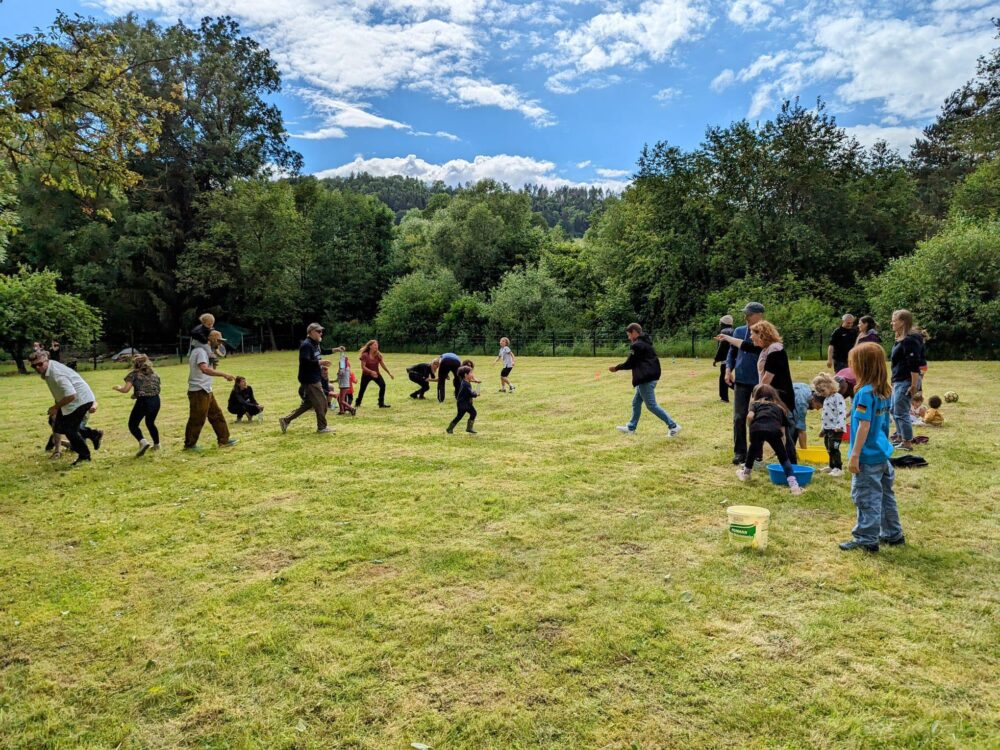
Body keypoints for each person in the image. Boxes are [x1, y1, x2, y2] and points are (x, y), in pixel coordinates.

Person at [840, 341, 904, 552]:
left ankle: (866, 539)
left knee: (866, 497)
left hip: (867, 456)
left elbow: (864, 426)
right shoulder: (884, 390)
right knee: (886, 495)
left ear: (862, 366)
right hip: (881, 452)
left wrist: (855, 455)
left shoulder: (864, 394)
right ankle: (893, 534)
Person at [717, 318, 796, 461]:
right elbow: (745, 345)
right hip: (771, 395)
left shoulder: (775, 351)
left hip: (780, 397)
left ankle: (789, 462)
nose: (751, 337)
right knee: (770, 428)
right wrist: (727, 338)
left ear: (762, 335)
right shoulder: (766, 348)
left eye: (753, 334)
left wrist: (755, 401)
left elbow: (767, 379)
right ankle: (765, 459)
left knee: (782, 431)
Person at [29, 350, 103, 466]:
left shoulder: (56, 374)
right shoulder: (50, 366)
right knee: (59, 427)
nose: (37, 368)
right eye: (34, 366)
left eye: (40, 364)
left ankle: (84, 456)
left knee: (70, 430)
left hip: (80, 400)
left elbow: (71, 395)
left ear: (46, 361)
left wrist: (55, 407)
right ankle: (93, 434)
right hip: (74, 400)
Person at [610, 323, 681, 437]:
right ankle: (631, 427)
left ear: (634, 332)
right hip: (650, 375)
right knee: (636, 402)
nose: (629, 338)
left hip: (645, 377)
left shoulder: (637, 345)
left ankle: (673, 426)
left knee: (651, 405)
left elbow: (630, 363)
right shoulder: (646, 342)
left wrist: (617, 368)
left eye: (629, 335)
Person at [736, 384, 802, 496]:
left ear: (756, 395)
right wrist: (782, 444)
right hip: (774, 430)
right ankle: (794, 485)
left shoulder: (755, 404)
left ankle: (746, 473)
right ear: (773, 395)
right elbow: (783, 430)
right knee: (783, 458)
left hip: (757, 429)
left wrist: (750, 427)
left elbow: (750, 416)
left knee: (752, 452)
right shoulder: (779, 408)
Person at [724, 302, 764, 465]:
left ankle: (756, 452)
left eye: (749, 314)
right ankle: (740, 452)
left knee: (759, 417)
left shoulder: (765, 332)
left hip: (759, 381)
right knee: (739, 417)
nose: (746, 317)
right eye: (745, 314)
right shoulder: (739, 331)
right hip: (740, 379)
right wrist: (728, 370)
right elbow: (732, 352)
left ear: (759, 315)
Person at [279, 323, 334, 435]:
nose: (321, 333)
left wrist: (335, 350)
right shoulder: (306, 345)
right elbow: (305, 362)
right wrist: (320, 362)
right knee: (322, 402)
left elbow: (321, 351)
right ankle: (322, 427)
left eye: (321, 331)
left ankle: (285, 420)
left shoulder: (315, 343)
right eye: (318, 331)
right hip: (310, 379)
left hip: (314, 377)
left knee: (308, 404)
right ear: (311, 332)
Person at [185, 337, 237, 451]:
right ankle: (189, 445)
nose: (220, 343)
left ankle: (224, 440)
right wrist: (224, 374)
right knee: (197, 418)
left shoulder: (206, 352)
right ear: (211, 339)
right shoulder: (201, 352)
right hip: (198, 390)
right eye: (218, 340)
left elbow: (208, 369)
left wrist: (214, 363)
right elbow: (204, 370)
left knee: (217, 414)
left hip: (206, 389)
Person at [114, 354, 162, 456]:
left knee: (132, 424)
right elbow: (153, 388)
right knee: (150, 423)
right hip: (156, 400)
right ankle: (157, 444)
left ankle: (143, 442)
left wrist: (117, 387)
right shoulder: (154, 374)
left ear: (135, 364)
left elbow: (125, 389)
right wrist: (136, 394)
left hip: (143, 402)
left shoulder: (133, 374)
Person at [889, 309, 923, 452]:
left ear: (902, 322)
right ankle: (900, 437)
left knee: (901, 412)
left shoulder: (910, 340)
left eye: (894, 320)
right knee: (893, 409)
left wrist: (914, 385)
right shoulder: (900, 339)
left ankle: (907, 441)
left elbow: (914, 365)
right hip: (899, 380)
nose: (892, 323)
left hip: (907, 381)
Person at [812, 372, 847, 477]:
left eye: (822, 390)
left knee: (834, 448)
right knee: (828, 447)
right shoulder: (827, 399)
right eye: (819, 392)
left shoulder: (838, 397)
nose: (821, 393)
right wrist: (823, 429)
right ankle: (832, 466)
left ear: (830, 386)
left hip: (836, 430)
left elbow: (842, 412)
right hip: (828, 429)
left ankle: (839, 468)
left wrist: (840, 426)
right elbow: (825, 416)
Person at [356, 339, 393, 409]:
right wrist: (371, 372)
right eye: (375, 345)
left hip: (376, 374)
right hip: (366, 375)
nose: (376, 346)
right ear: (370, 346)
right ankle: (358, 403)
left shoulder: (378, 355)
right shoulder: (365, 355)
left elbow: (383, 365)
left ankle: (381, 403)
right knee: (362, 389)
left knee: (383, 385)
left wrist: (389, 373)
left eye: (377, 345)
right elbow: (363, 367)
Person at [446, 365, 478, 434]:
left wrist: (476, 381)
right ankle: (449, 428)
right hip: (462, 404)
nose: (472, 375)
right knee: (459, 416)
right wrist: (475, 394)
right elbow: (470, 393)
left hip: (466, 403)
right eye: (471, 373)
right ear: (466, 375)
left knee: (473, 413)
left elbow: (471, 382)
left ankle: (469, 428)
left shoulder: (465, 381)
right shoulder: (465, 384)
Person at [712, 315, 735, 403]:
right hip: (734, 358)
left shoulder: (724, 331)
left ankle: (724, 398)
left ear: (723, 324)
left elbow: (722, 347)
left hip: (726, 359)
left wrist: (716, 359)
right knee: (727, 377)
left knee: (724, 378)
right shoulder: (734, 331)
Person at [790, 382, 815, 449]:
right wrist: (805, 452)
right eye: (818, 406)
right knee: (793, 427)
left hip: (788, 402)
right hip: (782, 406)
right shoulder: (802, 404)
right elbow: (801, 430)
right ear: (814, 400)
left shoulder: (806, 387)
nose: (817, 409)